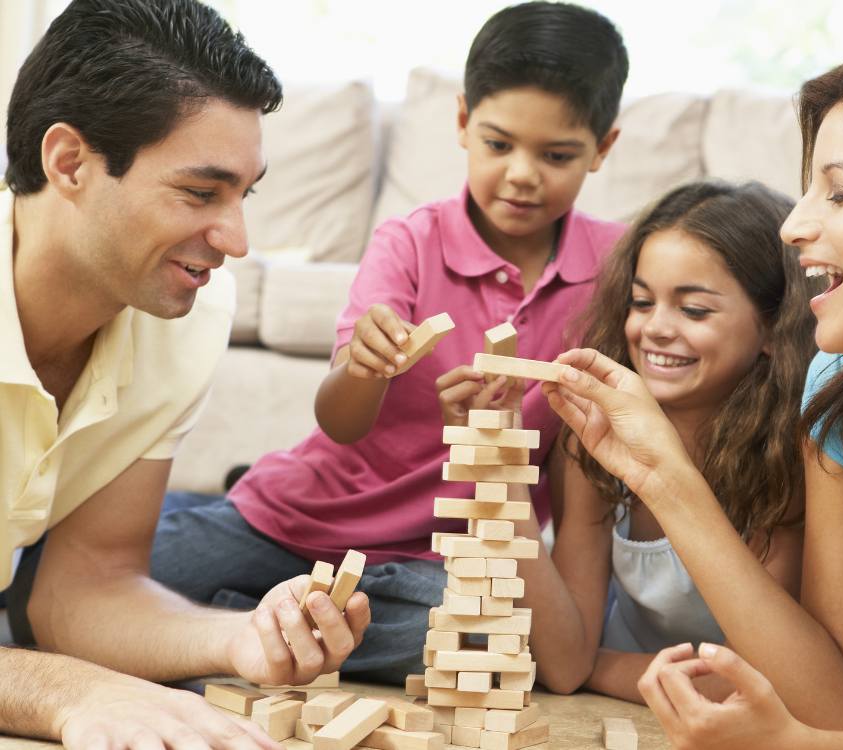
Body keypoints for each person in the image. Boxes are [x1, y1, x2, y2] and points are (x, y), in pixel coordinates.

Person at [541, 28, 843, 749]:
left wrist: (802, 747)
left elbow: (826, 734)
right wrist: (661, 472)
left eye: (841, 193)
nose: (793, 225)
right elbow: (838, 701)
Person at [150, 0, 629, 683]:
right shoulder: (409, 243)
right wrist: (365, 370)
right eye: (499, 144)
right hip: (298, 520)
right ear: (463, 122)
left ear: (603, 148)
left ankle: (242, 619)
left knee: (478, 644)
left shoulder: (612, 270)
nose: (523, 174)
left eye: (556, 155)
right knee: (94, 577)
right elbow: (339, 423)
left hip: (438, 563)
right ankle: (254, 601)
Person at [0, 1, 368, 746]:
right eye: (201, 193)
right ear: (69, 162)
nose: (235, 239)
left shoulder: (189, 314)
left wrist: (237, 639)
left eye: (244, 193)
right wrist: (64, 690)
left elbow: (85, 583)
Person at [502, 181, 815, 701]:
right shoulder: (592, 442)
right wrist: (503, 467)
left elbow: (760, 681)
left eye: (694, 311)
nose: (655, 329)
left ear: (772, 330)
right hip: (630, 661)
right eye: (641, 302)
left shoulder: (788, 459)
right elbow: (561, 666)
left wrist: (597, 667)